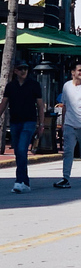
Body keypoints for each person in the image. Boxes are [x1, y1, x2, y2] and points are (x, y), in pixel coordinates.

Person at [0, 60, 44, 193]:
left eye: (26, 68)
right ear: (15, 71)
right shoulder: (10, 86)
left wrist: (41, 124)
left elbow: (40, 106)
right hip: (15, 122)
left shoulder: (34, 85)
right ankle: (25, 181)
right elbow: (4, 103)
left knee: (21, 149)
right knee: (18, 152)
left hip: (29, 122)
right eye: (21, 68)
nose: (24, 71)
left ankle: (19, 181)